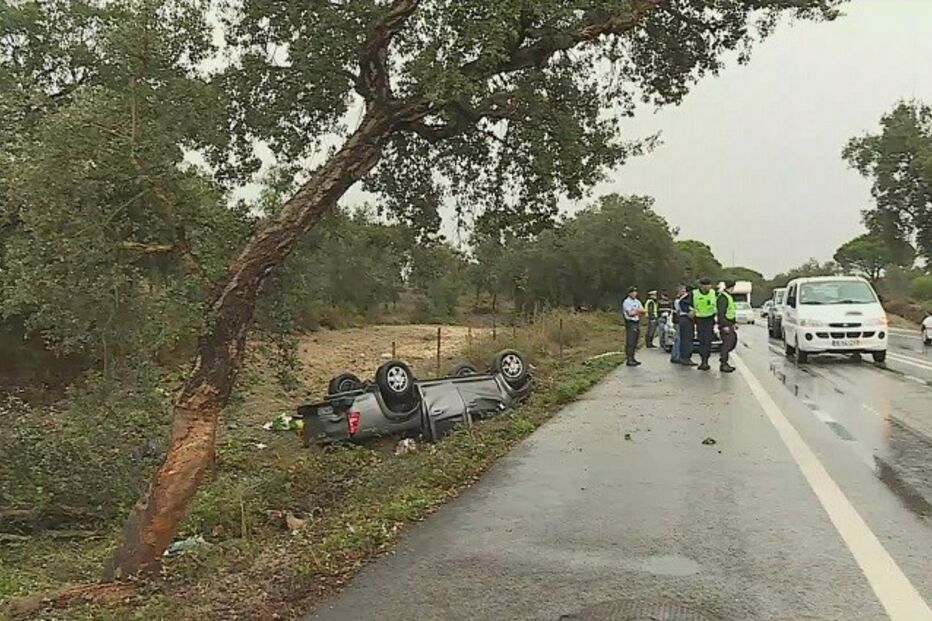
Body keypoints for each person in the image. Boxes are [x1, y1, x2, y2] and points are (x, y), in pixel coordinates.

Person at [691, 277, 718, 371]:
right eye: (706, 285)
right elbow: (683, 303)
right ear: (701, 286)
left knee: (708, 341)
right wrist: (690, 311)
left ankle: (706, 360)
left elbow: (718, 303)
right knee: (702, 341)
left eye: (709, 285)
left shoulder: (713, 293)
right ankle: (703, 361)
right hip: (700, 320)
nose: (708, 287)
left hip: (710, 319)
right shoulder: (694, 293)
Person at [718, 280, 738, 373]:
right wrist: (723, 325)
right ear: (732, 287)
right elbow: (721, 313)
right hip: (725, 324)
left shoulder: (728, 296)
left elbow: (730, 311)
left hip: (730, 323)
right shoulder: (723, 297)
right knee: (727, 344)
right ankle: (723, 363)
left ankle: (724, 361)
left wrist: (734, 322)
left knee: (732, 342)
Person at [622, 286, 646, 366]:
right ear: (629, 293)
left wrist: (637, 311)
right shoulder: (626, 302)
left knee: (636, 340)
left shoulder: (637, 301)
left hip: (637, 321)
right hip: (630, 322)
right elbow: (630, 313)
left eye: (635, 292)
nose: (634, 293)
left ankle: (633, 357)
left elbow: (643, 311)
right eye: (632, 292)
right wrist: (637, 311)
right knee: (630, 341)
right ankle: (629, 359)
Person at [676, 284, 696, 366]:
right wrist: (690, 311)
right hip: (686, 319)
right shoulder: (685, 298)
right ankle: (686, 358)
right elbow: (684, 306)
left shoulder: (683, 298)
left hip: (684, 319)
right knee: (687, 339)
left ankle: (684, 357)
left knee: (685, 339)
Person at [669, 285, 688, 364]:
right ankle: (675, 356)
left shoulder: (679, 300)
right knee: (678, 339)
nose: (684, 293)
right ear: (679, 292)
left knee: (679, 339)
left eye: (685, 291)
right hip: (678, 321)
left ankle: (676, 355)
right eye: (682, 291)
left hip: (678, 321)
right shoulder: (678, 300)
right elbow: (678, 311)